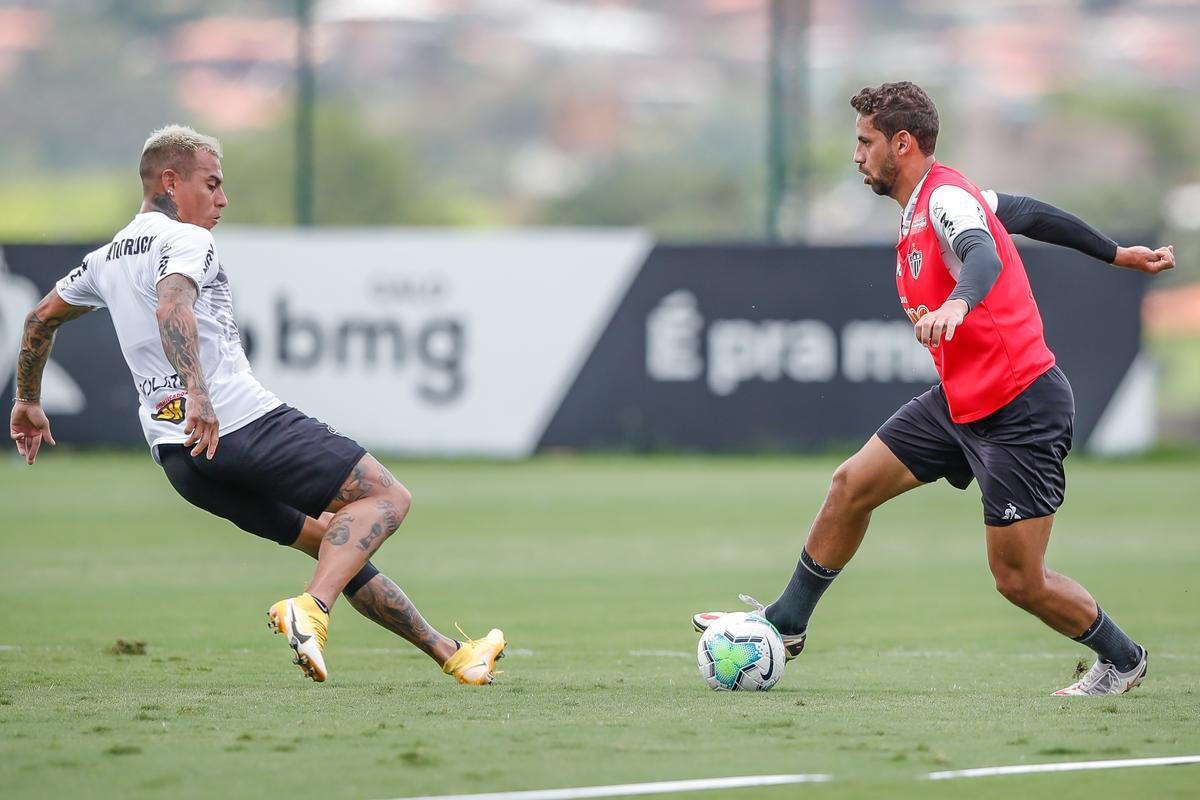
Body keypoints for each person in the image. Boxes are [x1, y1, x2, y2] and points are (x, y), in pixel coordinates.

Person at [694, 82, 1175, 696]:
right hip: (960, 402)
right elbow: (1028, 212)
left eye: (865, 142)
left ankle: (1124, 659)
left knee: (1019, 580)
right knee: (851, 486)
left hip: (1020, 407)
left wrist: (958, 303)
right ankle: (787, 624)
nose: (857, 155)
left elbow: (983, 257)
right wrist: (1115, 254)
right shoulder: (934, 201)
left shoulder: (946, 199)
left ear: (902, 143)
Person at [9, 125, 506, 685]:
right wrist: (199, 394)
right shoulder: (186, 239)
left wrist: (27, 399)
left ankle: (451, 654)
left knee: (337, 542)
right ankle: (311, 609)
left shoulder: (105, 259)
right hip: (234, 423)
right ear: (170, 182)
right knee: (387, 497)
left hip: (180, 459)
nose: (222, 199)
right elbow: (172, 307)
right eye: (212, 184)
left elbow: (39, 319)